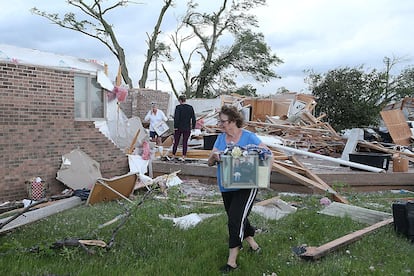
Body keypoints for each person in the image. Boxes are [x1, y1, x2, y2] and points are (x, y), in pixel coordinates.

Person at [208, 105, 266, 273]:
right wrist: (213, 156)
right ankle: (254, 245)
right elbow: (210, 163)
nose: (221, 125)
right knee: (238, 217)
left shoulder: (249, 137)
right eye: (220, 121)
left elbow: (267, 153)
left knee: (234, 220)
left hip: (247, 186)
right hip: (227, 186)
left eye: (223, 122)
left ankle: (232, 261)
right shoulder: (220, 139)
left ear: (233, 121)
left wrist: (263, 176)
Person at [172, 95, 196, 161]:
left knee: (176, 141)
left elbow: (176, 118)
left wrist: (175, 127)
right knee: (185, 142)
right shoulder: (190, 107)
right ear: (185, 100)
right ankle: (183, 156)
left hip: (179, 127)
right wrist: (193, 127)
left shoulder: (178, 107)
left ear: (180, 100)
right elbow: (193, 118)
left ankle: (173, 155)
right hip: (187, 127)